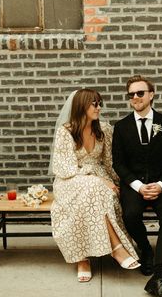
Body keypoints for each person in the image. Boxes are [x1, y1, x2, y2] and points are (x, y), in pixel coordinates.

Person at [49, 88, 140, 283]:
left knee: (98, 192)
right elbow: (64, 167)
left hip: (99, 178)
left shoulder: (105, 129)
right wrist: (97, 179)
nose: (99, 108)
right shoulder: (65, 131)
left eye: (100, 103)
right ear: (82, 106)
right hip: (70, 181)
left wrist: (118, 183)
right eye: (94, 104)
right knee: (93, 188)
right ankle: (116, 249)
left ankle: (83, 260)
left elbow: (109, 161)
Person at [112, 75, 162, 297]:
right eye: (131, 94)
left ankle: (159, 276)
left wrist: (161, 185)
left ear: (151, 94)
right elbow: (118, 163)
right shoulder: (121, 127)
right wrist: (139, 186)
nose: (135, 98)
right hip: (135, 185)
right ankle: (146, 250)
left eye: (140, 93)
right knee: (130, 215)